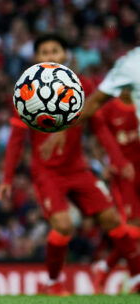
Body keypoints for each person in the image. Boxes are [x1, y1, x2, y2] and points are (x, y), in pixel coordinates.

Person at [0, 33, 140, 296]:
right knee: (64, 225)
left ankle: (136, 277)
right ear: (36, 59)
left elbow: (100, 129)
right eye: (44, 53)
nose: (50, 57)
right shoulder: (26, 93)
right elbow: (16, 141)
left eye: (55, 51)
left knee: (112, 219)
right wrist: (7, 178)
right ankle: (53, 283)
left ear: (66, 56)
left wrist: (118, 161)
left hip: (78, 169)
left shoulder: (82, 86)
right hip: (48, 172)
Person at [90, 89, 140, 292]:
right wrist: (103, 165)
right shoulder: (109, 109)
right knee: (134, 226)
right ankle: (127, 274)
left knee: (135, 230)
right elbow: (96, 140)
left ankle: (105, 267)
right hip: (123, 177)